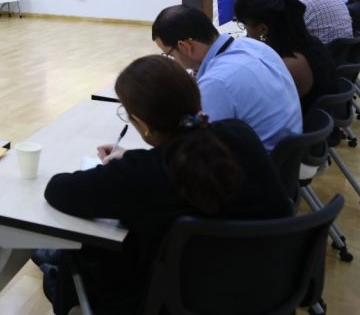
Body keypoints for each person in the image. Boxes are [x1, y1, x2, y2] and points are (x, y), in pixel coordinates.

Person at [39, 55, 291, 314]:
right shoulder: (240, 133)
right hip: (265, 290)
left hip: (172, 301)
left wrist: (129, 165)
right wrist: (133, 159)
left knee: (84, 250)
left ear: (143, 124)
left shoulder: (141, 174)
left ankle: (58, 281)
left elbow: (58, 190)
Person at [151, 4, 301, 151]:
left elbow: (204, 145)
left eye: (170, 54)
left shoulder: (216, 82)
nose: (173, 60)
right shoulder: (253, 45)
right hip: (288, 150)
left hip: (259, 160)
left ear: (185, 46)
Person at [233, 0, 337, 115]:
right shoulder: (309, 43)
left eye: (245, 26)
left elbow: (256, 107)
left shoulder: (287, 64)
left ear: (263, 29)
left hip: (299, 125)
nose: (246, 32)